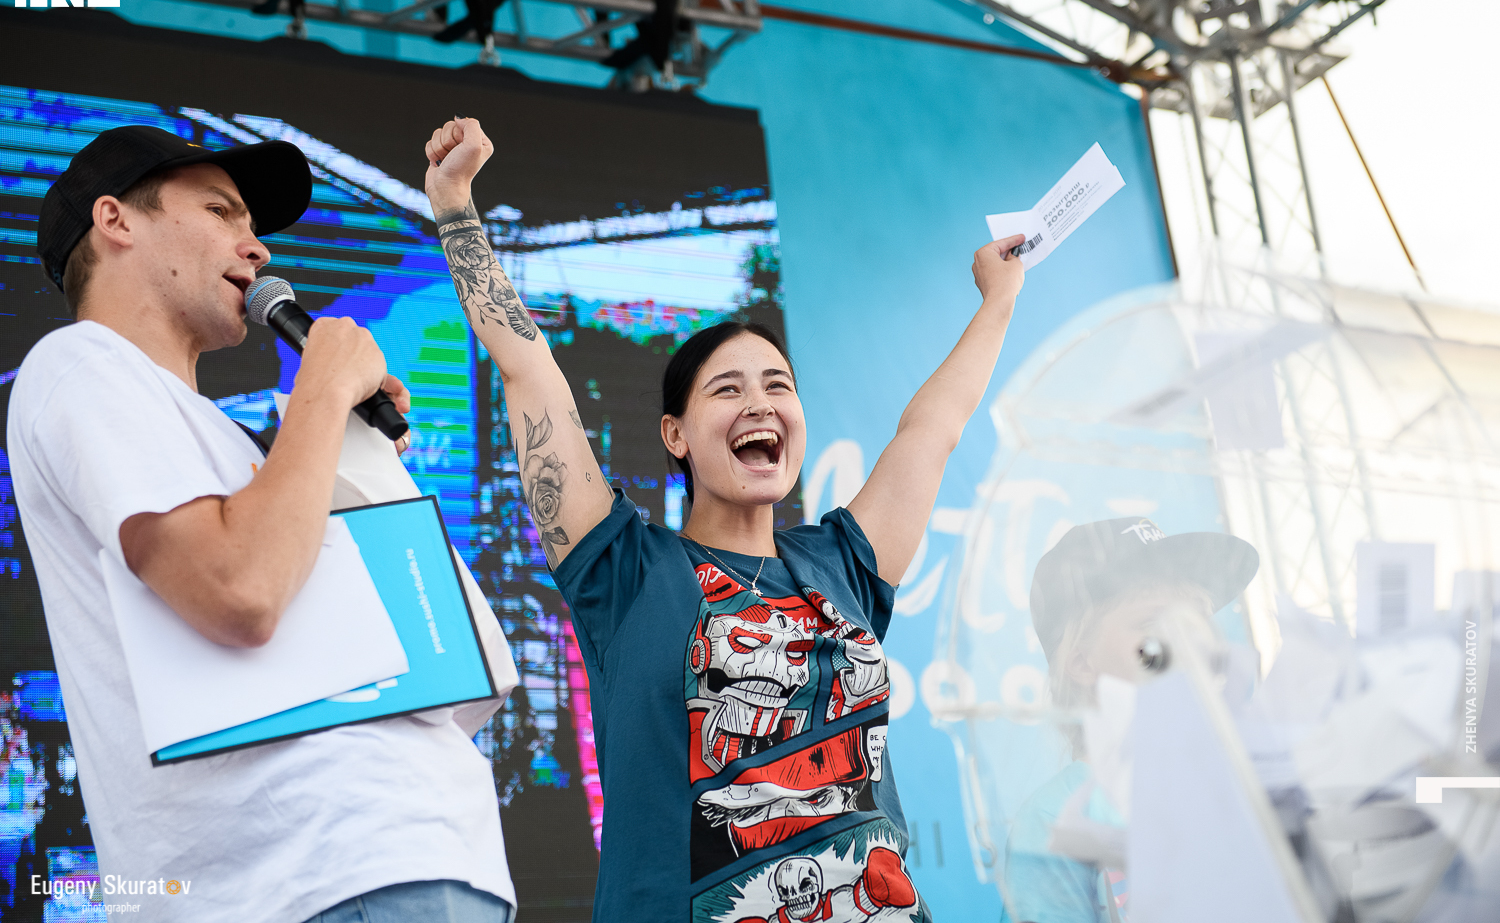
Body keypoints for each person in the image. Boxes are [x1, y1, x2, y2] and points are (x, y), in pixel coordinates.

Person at [423, 116, 1028, 923]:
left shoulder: (842, 565)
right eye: (728, 389)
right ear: (675, 435)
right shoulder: (625, 571)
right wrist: (455, 207)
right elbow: (530, 370)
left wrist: (1000, 298)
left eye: (778, 385)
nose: (761, 403)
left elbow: (933, 430)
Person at [8, 126, 516, 923]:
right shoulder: (77, 365)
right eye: (222, 212)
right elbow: (239, 588)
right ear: (115, 220)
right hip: (312, 878)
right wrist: (322, 389)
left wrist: (347, 446)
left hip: (422, 855)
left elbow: (434, 664)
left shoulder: (236, 442)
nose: (257, 249)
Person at [1003, 516, 1258, 923]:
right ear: (1082, 663)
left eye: (1196, 618)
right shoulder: (1052, 822)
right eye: (1154, 625)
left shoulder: (1246, 790)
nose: (1188, 643)